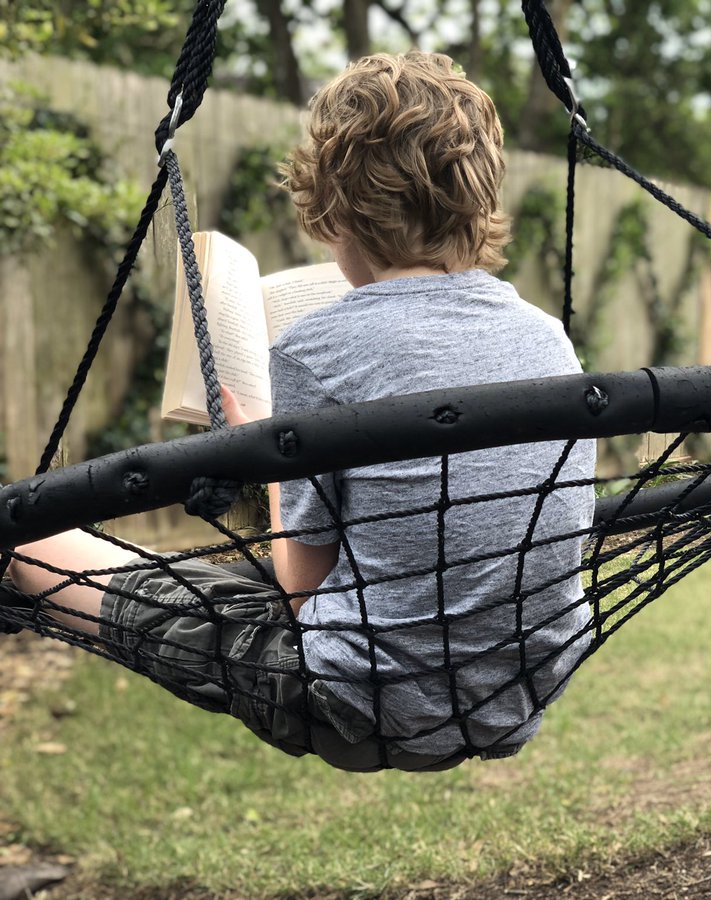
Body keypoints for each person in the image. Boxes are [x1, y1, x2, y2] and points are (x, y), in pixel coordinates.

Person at [5, 51, 596, 772]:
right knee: (210, 585)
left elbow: (300, 592)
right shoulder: (547, 338)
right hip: (514, 691)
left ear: (336, 209)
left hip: (366, 707)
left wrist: (270, 449)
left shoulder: (317, 350)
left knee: (37, 549)